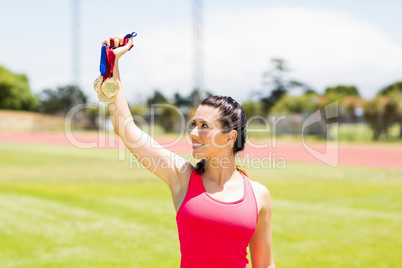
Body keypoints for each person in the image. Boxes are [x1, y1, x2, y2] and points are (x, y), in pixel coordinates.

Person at [102, 34, 275, 268]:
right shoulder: (182, 177)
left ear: (230, 137)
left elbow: (264, 264)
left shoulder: (259, 195)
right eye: (194, 124)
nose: (194, 133)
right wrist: (113, 67)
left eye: (204, 126)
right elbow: (127, 129)